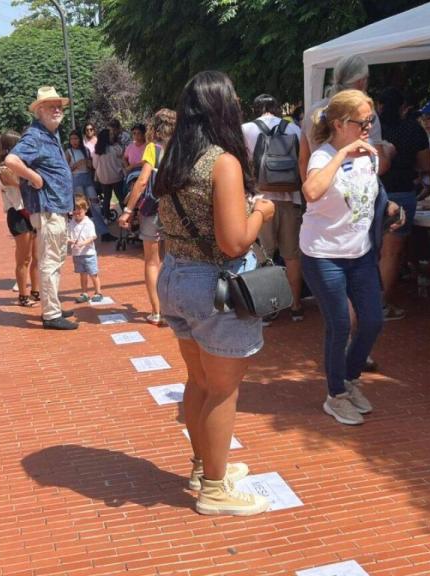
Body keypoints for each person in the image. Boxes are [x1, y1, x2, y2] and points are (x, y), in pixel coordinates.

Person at [155, 70, 275, 516]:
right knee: (223, 391)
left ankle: (204, 466)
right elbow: (234, 241)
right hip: (214, 285)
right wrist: (261, 210)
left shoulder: (175, 158)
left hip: (176, 277)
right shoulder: (223, 162)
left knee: (199, 381)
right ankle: (215, 489)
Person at [302, 90, 404, 426]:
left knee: (373, 320)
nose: (369, 128)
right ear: (339, 124)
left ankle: (348, 378)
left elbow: (372, 190)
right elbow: (312, 192)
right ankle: (336, 395)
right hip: (323, 254)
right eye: (363, 122)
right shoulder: (322, 156)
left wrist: (388, 207)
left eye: (371, 121)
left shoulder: (369, 156)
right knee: (340, 324)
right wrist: (342, 152)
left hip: (359, 254)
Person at [5, 86, 78, 330]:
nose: (57, 109)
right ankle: (51, 314)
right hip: (48, 208)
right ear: (39, 111)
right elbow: (11, 160)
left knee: (55, 259)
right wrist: (34, 177)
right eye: (50, 106)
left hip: (55, 207)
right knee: (50, 260)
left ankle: (52, 305)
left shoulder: (51, 133)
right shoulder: (35, 136)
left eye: (59, 105)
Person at [241, 93, 306, 323]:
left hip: (260, 200)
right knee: (292, 256)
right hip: (290, 200)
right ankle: (296, 306)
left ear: (256, 109)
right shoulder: (294, 130)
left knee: (263, 256)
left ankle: (267, 310)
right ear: (277, 109)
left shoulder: (246, 129)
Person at [118, 109, 177, 325]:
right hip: (178, 211)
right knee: (174, 260)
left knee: (153, 261)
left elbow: (142, 181)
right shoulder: (183, 148)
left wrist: (128, 210)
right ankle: (175, 310)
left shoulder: (154, 148)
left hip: (155, 209)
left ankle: (158, 311)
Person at [377, 87, 430, 320]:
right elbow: (425, 163)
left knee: (369, 253)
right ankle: (380, 305)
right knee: (390, 254)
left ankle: (368, 304)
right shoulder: (412, 129)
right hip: (401, 193)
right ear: (403, 107)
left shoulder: (372, 129)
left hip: (372, 193)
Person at [0, 130, 40, 307]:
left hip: (31, 212)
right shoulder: (5, 169)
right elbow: (20, 182)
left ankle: (36, 291)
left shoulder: (22, 164)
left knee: (37, 256)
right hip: (18, 215)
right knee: (24, 258)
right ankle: (23, 296)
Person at [65, 129, 111, 239]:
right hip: (76, 179)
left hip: (87, 178)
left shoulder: (85, 150)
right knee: (81, 206)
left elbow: (91, 166)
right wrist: (76, 165)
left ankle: (103, 232)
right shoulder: (68, 152)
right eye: (72, 139)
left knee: (95, 204)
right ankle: (81, 234)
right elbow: (66, 170)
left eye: (76, 138)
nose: (74, 141)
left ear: (80, 140)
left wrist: (88, 163)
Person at [68, 194, 103, 303]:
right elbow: (67, 236)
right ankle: (84, 292)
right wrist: (70, 240)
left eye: (79, 211)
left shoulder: (88, 222)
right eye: (75, 211)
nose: (77, 213)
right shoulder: (71, 223)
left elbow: (93, 236)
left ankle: (98, 292)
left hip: (89, 253)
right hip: (77, 254)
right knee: (82, 274)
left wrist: (83, 243)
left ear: (85, 210)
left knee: (93, 274)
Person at [94, 127, 126, 226]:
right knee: (121, 197)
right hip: (116, 176)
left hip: (104, 178)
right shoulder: (115, 148)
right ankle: (126, 216)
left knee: (106, 198)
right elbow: (122, 155)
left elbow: (95, 165)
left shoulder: (97, 151)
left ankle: (106, 218)